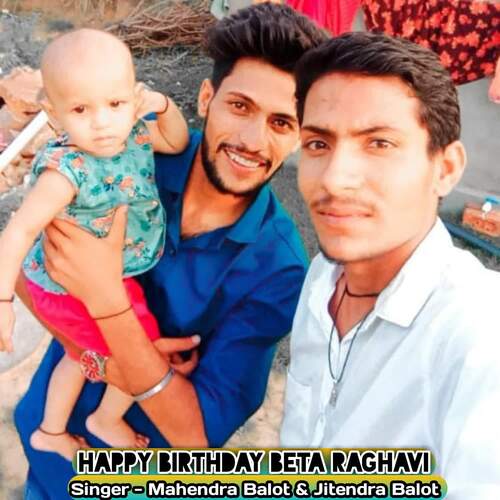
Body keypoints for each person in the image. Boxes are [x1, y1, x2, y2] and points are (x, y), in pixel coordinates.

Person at [15, 4, 327, 499]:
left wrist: (108, 308)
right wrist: (102, 359)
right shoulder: (127, 158)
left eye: (281, 122)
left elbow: (196, 437)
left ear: (298, 138)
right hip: (48, 449)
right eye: (240, 106)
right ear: (206, 98)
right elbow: (26, 272)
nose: (252, 140)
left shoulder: (278, 270)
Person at [280, 32, 500, 498]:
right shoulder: (323, 280)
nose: (335, 180)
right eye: (318, 144)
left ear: (445, 168)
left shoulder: (479, 335)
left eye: (379, 143)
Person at [0, 29, 189, 460]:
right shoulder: (67, 171)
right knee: (136, 349)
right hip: (69, 287)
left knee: (78, 353)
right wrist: (3, 301)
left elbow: (176, 140)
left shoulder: (134, 135)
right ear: (53, 114)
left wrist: (162, 105)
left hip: (97, 279)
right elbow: (18, 231)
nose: (102, 122)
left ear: (133, 98)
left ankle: (50, 431)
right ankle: (105, 418)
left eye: (115, 104)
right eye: (80, 109)